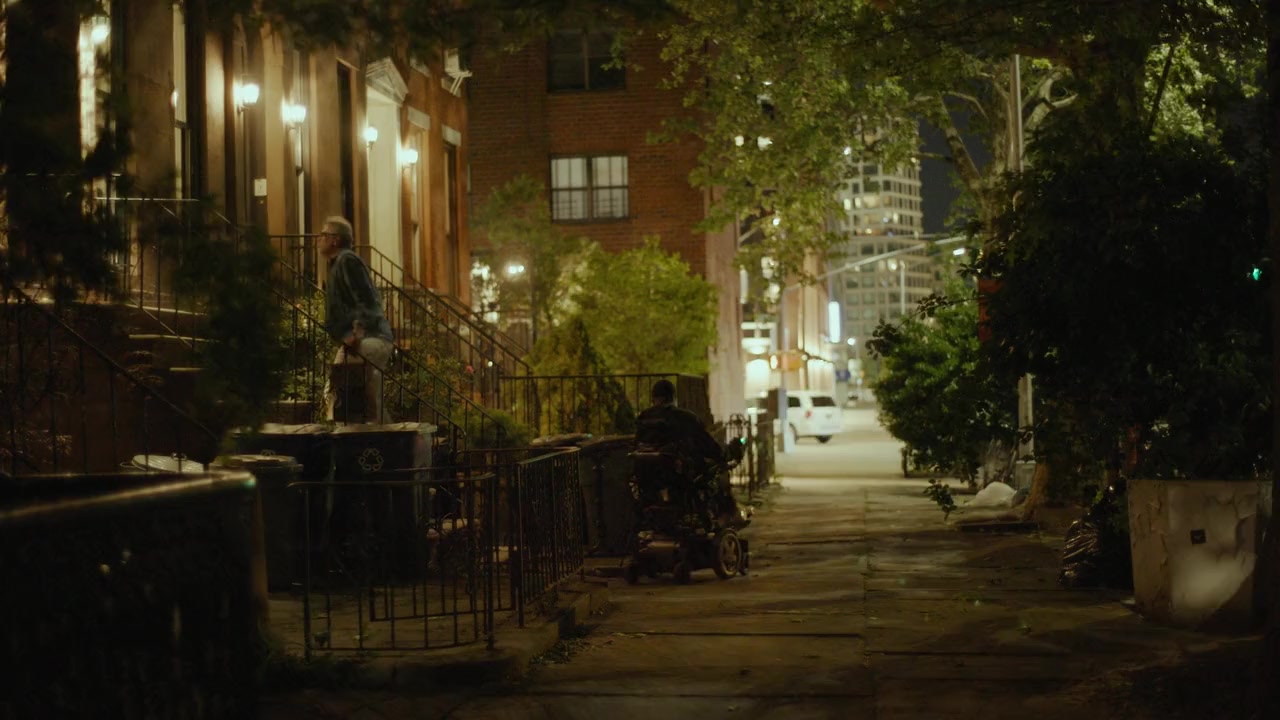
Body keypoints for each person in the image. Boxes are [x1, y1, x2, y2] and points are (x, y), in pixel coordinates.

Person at [319, 216, 394, 423]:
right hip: (365, 340)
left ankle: (366, 436)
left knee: (341, 394)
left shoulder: (347, 260)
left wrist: (357, 330)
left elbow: (366, 298)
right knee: (366, 401)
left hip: (370, 339)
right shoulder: (337, 264)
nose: (319, 238)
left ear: (335, 239)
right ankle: (389, 437)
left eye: (323, 234)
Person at [635, 379, 724, 475]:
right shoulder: (685, 417)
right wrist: (720, 455)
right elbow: (705, 441)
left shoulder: (643, 417)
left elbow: (638, 440)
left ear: (653, 398)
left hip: (646, 474)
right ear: (673, 397)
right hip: (677, 475)